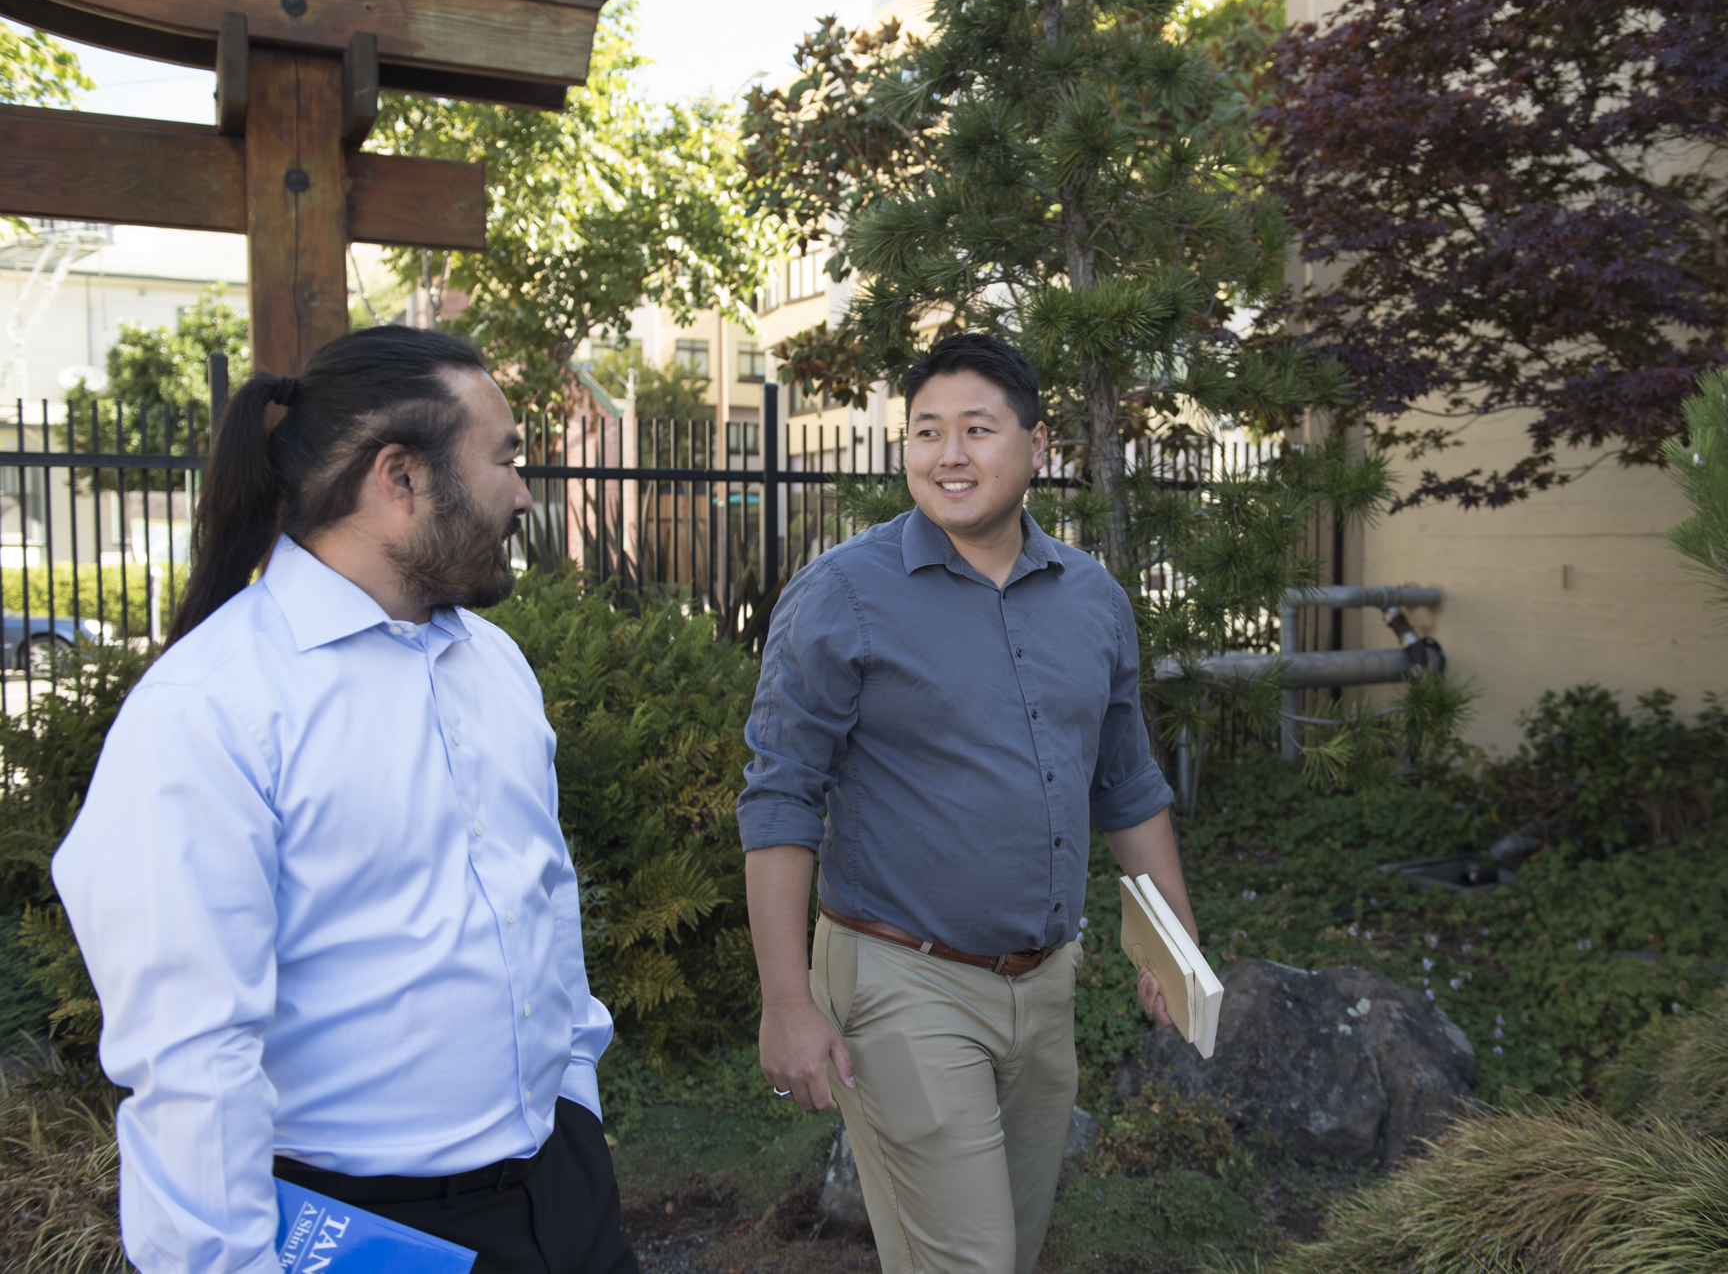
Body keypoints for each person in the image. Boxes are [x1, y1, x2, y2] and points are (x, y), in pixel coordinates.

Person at [51, 326, 637, 1274]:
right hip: (363, 1235)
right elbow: (193, 1061)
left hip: (563, 1198)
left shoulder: (495, 664)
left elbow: (542, 901)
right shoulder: (210, 709)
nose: (525, 494)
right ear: (399, 477)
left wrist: (574, 1103)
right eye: (505, 460)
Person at [739, 332, 1198, 1274]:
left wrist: (1179, 949)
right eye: (926, 431)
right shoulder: (842, 597)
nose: (949, 455)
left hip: (1046, 983)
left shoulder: (1094, 599)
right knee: (973, 1261)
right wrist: (786, 999)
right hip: (901, 977)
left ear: (1038, 444)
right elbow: (781, 796)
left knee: (1010, 1253)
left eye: (977, 430)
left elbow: (1127, 784)